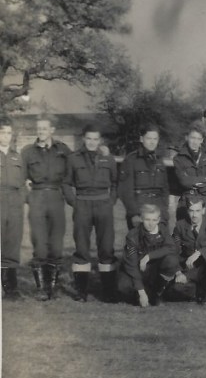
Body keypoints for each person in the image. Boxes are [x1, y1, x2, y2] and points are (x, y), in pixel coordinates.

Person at [63, 125, 119, 303]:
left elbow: (115, 183)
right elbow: (65, 183)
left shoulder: (108, 158)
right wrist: (74, 203)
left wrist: (110, 202)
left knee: (106, 247)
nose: (92, 142)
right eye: (89, 139)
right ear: (83, 139)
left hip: (103, 204)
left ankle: (109, 292)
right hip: (83, 204)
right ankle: (81, 292)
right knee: (81, 248)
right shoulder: (73, 159)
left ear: (100, 140)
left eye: (96, 139)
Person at [20, 115, 71, 300]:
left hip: (56, 197)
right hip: (37, 197)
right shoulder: (28, 152)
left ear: (52, 130)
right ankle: (41, 288)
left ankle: (53, 287)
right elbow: (20, 179)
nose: (41, 131)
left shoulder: (63, 150)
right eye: (39, 128)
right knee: (40, 243)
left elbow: (75, 166)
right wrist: (30, 198)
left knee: (56, 244)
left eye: (45, 128)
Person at [117, 204, 181, 307]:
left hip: (155, 270)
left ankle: (157, 293)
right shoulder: (132, 235)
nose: (151, 224)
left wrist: (148, 256)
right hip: (138, 270)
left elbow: (171, 248)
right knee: (123, 287)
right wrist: (141, 292)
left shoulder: (163, 231)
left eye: (154, 220)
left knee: (171, 261)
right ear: (141, 219)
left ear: (159, 219)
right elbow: (131, 265)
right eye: (147, 219)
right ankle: (143, 293)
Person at [171, 195, 206, 304]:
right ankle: (199, 290)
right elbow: (173, 251)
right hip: (190, 269)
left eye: (198, 210)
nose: (194, 215)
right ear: (187, 211)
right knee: (176, 289)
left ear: (203, 210)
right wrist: (178, 272)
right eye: (191, 211)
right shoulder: (180, 226)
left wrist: (200, 252)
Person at [118, 124, 170, 229]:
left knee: (161, 243)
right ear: (141, 139)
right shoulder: (131, 160)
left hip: (158, 210)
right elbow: (125, 191)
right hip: (140, 210)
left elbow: (165, 188)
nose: (152, 142)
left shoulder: (159, 160)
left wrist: (164, 210)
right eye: (149, 138)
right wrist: (134, 214)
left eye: (155, 139)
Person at [173, 124, 206, 228]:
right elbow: (183, 181)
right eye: (193, 138)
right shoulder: (179, 158)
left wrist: (198, 186)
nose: (195, 142)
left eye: (199, 139)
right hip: (187, 202)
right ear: (187, 138)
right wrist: (204, 179)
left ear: (202, 140)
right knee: (187, 238)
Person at [0, 116, 25, 300]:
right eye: (2, 132)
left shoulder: (17, 156)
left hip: (15, 202)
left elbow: (23, 182)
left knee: (12, 243)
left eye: (9, 133)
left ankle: (10, 287)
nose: (6, 136)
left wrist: (21, 199)